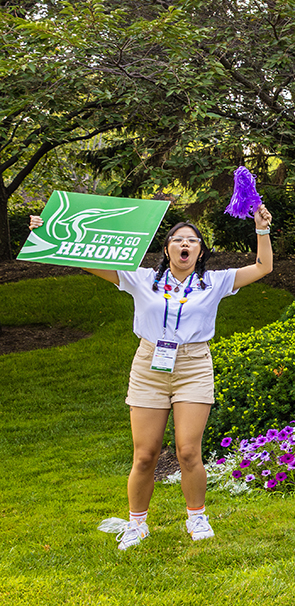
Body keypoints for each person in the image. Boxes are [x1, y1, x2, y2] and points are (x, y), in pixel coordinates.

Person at [29, 205, 275, 550]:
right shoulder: (141, 278)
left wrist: (261, 230)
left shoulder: (215, 282)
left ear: (200, 250)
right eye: (178, 240)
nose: (185, 245)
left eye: (192, 240)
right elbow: (87, 260)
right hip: (148, 366)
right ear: (167, 249)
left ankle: (196, 517)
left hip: (193, 366)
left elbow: (264, 267)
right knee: (145, 454)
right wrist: (47, 231)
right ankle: (137, 524)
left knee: (188, 451)